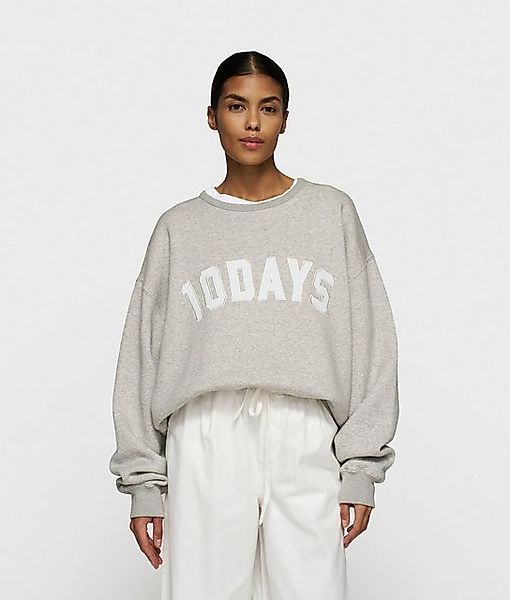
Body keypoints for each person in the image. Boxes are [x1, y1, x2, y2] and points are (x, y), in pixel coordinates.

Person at [108, 50, 400, 600]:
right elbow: (141, 356)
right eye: (236, 106)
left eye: (268, 108)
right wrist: (144, 482)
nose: (252, 123)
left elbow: (372, 340)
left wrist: (361, 467)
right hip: (206, 431)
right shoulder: (179, 229)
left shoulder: (331, 213)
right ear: (212, 115)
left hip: (306, 429)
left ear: (285, 118)